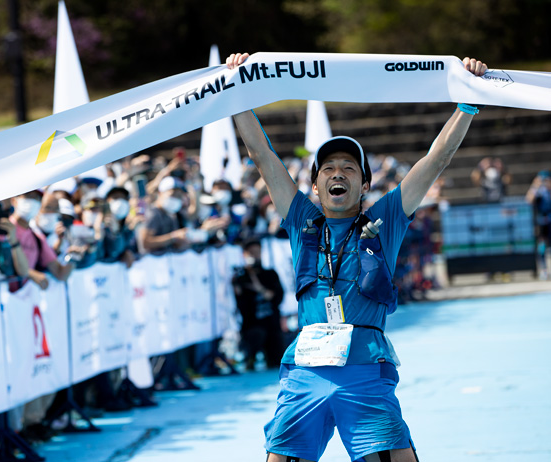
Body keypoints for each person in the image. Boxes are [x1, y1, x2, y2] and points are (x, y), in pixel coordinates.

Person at [226, 52, 487, 462]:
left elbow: (436, 160)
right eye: (328, 168)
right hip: (306, 372)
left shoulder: (386, 220)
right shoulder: (300, 218)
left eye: (349, 167)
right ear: (314, 184)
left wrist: (468, 102)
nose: (337, 173)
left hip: (366, 369)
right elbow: (262, 155)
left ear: (365, 183)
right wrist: (236, 90)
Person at [232, 239, 284, 370]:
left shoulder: (270, 274)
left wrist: (258, 287)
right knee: (256, 334)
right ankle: (250, 356)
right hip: (252, 324)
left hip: (272, 322)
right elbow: (239, 304)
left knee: (277, 359)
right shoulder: (240, 278)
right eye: (252, 252)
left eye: (257, 252)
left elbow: (277, 297)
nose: (255, 255)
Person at [526, 170, 551, 279]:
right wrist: (535, 186)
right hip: (542, 222)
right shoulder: (538, 191)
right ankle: (544, 270)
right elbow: (528, 200)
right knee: (542, 246)